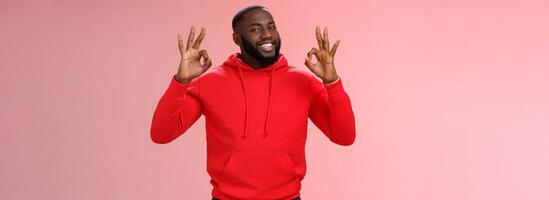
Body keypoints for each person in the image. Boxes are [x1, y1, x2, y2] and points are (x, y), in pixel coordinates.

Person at [150, 5, 356, 200]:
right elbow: (161, 134)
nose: (267, 35)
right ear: (237, 38)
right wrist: (181, 82)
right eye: (256, 29)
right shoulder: (209, 83)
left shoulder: (304, 82)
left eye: (271, 27)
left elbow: (344, 137)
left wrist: (332, 83)